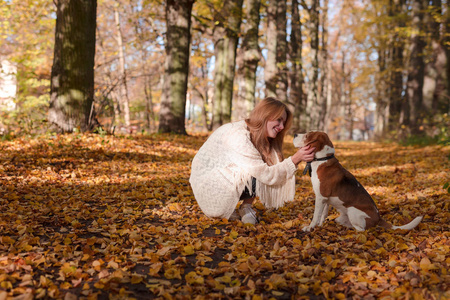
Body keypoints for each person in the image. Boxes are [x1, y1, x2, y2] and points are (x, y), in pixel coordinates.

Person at [189, 97, 315, 224]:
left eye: (284, 122)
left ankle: (245, 207)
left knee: (260, 165)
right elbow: (266, 174)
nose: (282, 127)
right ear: (264, 115)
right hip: (210, 184)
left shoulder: (257, 135)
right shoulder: (238, 135)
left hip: (224, 176)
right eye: (279, 120)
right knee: (258, 170)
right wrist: (295, 159)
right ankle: (234, 206)